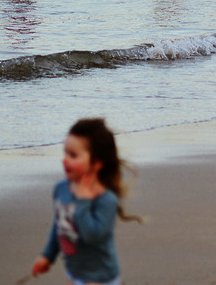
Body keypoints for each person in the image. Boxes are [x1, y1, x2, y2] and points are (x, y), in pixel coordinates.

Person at [31, 118, 141, 285]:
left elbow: (92, 236)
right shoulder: (61, 189)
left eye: (73, 155)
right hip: (75, 271)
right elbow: (60, 224)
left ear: (96, 164)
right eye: (65, 153)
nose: (65, 160)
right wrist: (48, 255)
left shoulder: (106, 199)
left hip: (101, 277)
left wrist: (83, 201)